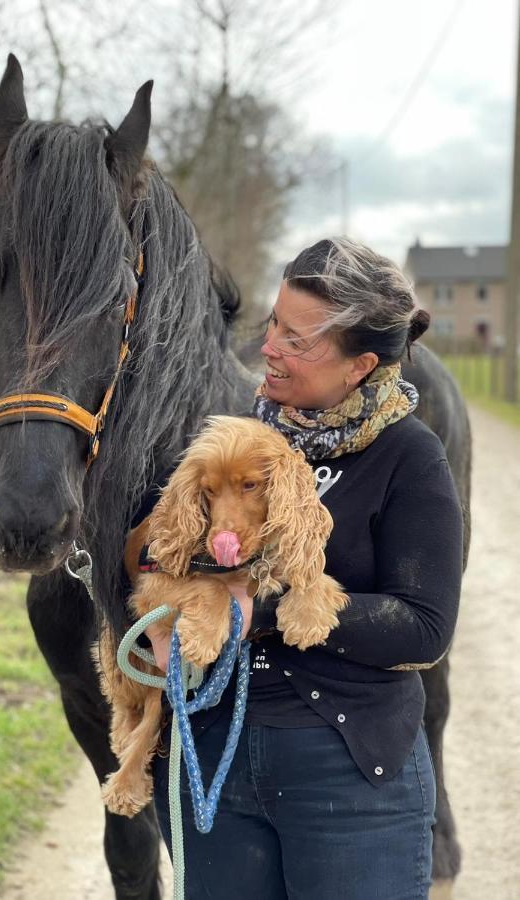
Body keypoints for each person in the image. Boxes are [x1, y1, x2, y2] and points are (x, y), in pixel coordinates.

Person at [146, 237, 463, 900]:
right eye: (273, 326)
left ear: (359, 366)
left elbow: (423, 627)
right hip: (216, 762)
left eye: (297, 340)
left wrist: (254, 611)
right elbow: (166, 548)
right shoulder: (235, 441)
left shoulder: (408, 456)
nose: (268, 349)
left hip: (349, 776)